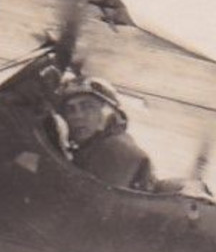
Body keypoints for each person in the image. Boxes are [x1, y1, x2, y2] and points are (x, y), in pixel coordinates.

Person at [48, 75, 180, 193]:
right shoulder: (98, 145)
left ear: (108, 112)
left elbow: (90, 205)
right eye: (70, 110)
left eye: (88, 107)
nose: (78, 116)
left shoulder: (115, 149)